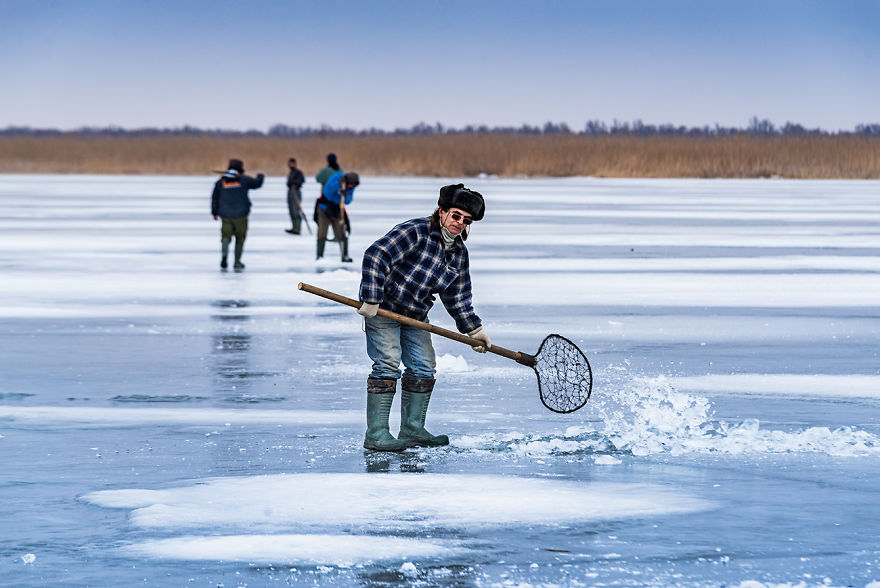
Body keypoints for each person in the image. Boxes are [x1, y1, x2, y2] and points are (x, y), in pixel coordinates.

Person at [356, 183, 491, 451]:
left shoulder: (458, 253)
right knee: (388, 362)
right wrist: (371, 297)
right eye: (455, 215)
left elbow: (458, 295)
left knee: (423, 366)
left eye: (466, 220)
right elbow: (376, 254)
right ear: (441, 211)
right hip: (383, 309)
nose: (459, 223)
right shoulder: (415, 231)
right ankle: (377, 434)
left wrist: (473, 330)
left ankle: (413, 429)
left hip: (416, 316)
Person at [210, 158, 264, 270]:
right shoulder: (244, 180)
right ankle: (237, 262)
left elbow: (215, 198)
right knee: (240, 238)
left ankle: (224, 256)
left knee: (225, 236)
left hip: (225, 215)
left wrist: (214, 212)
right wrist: (260, 176)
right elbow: (257, 184)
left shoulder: (221, 182)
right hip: (241, 215)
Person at [316, 171, 359, 262]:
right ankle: (319, 256)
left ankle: (345, 256)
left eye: (354, 186)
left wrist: (345, 193)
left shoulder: (351, 187)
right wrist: (339, 186)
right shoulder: (336, 178)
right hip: (325, 208)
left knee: (341, 231)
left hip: (338, 209)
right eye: (351, 185)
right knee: (322, 231)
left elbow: (348, 200)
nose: (352, 187)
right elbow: (328, 193)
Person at [285, 157, 305, 234]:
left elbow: (302, 180)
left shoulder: (298, 172)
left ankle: (298, 228)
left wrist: (295, 184)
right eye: (290, 164)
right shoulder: (291, 173)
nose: (291, 165)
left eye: (292, 163)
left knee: (296, 209)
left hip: (296, 192)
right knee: (291, 210)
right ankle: (294, 227)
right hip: (290, 192)